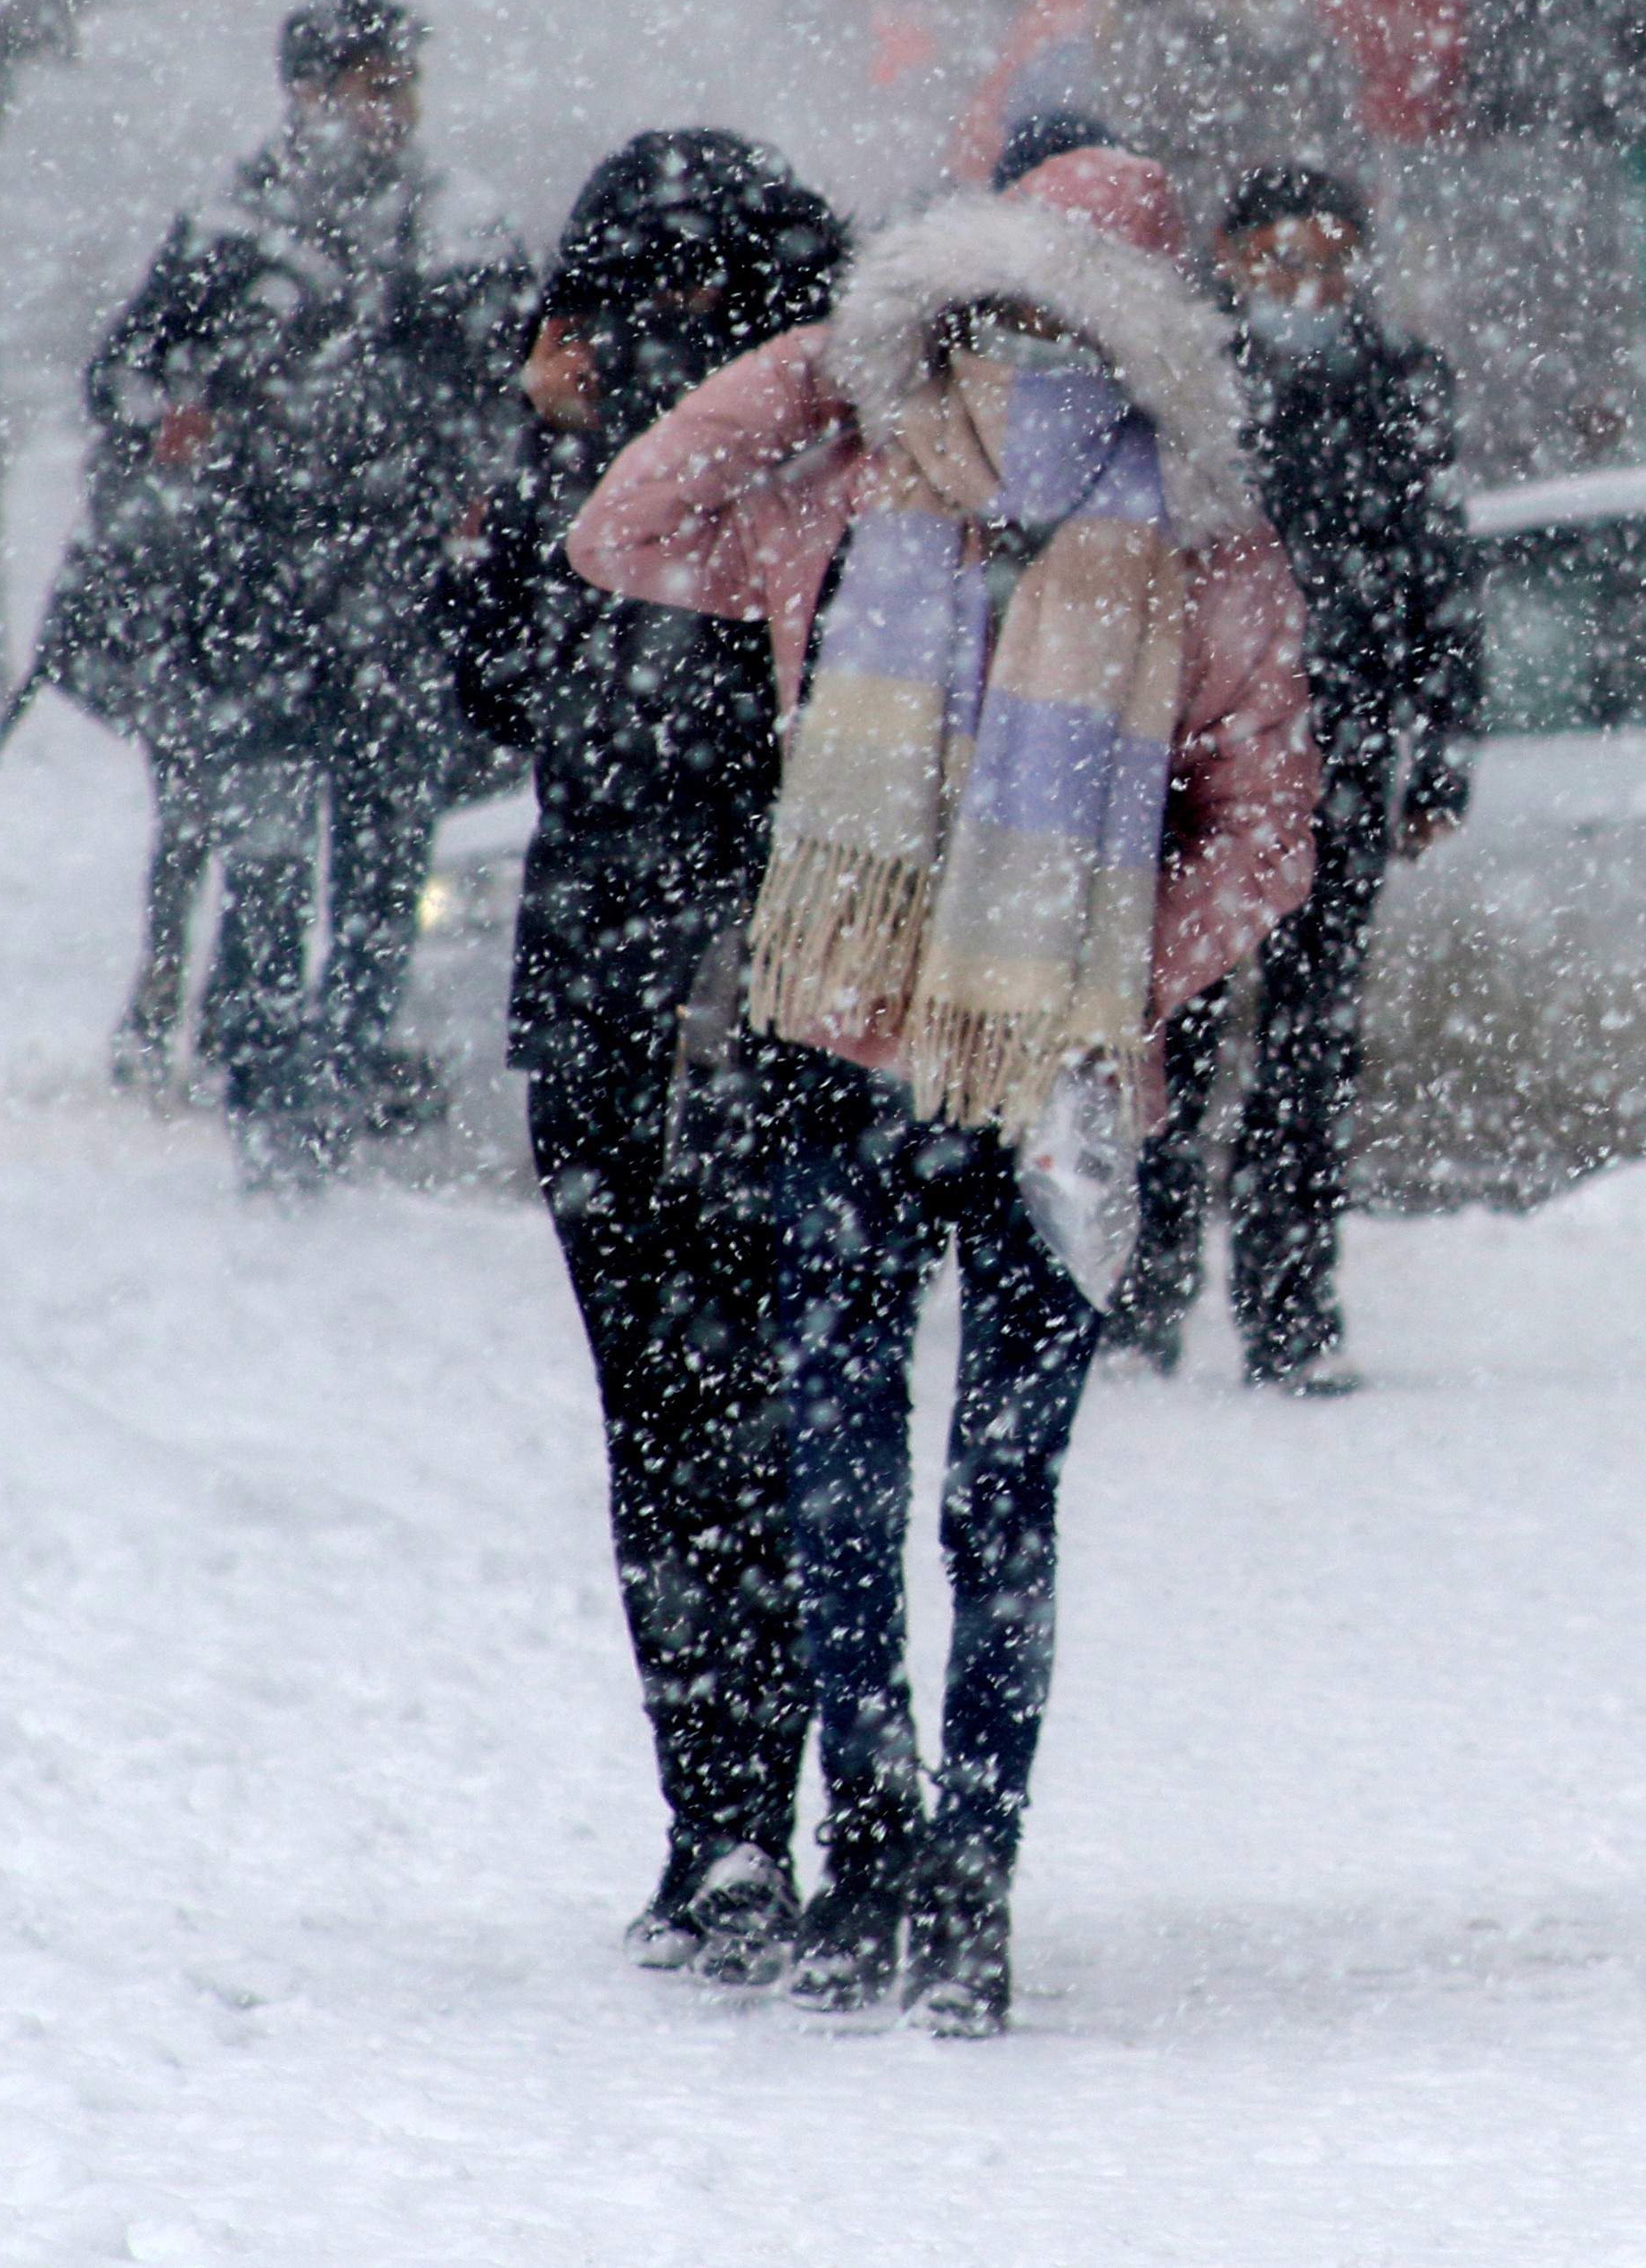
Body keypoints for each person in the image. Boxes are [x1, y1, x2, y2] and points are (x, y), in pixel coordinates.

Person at [566, 145, 1317, 2037]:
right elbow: (625, 525)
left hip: (993, 1082)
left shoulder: (1160, 537)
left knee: (926, 1482)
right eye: (983, 303)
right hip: (917, 1072)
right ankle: (922, 1858)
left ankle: (927, 1858)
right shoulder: (882, 484)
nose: (1007, 341)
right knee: (925, 1489)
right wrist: (829, 358)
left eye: (1039, 300)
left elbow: (1270, 829)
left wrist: (1083, 977)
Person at [446, 130, 847, 1982]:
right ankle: (729, 1817)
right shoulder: (597, 486)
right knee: (690, 1432)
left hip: (761, 1004)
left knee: (746, 1429)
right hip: (633, 1011)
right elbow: (478, 682)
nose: (663, 333)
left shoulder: (822, 477)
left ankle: (770, 1810)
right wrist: (532, 443)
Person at [55, 0, 530, 1180]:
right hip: (250, 607)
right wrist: (176, 413)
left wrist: (488, 482)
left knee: (381, 879)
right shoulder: (228, 229)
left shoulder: (460, 226)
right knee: (266, 871)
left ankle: (330, 1091)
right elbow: (120, 378)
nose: (395, 109)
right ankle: (271, 1101)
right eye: (373, 85)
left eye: (403, 83)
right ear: (306, 94)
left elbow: (525, 396)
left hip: (400, 611)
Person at [1102, 164, 1474, 1396]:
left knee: (1310, 1052)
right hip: (1193, 765)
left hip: (1342, 760)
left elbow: (1442, 576)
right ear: (1229, 255)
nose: (1308, 287)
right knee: (1172, 1036)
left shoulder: (1401, 388)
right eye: (1282, 259)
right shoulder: (1179, 384)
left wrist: (1442, 755)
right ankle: (1141, 1294)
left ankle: (1291, 1308)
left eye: (1331, 260)